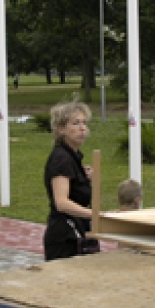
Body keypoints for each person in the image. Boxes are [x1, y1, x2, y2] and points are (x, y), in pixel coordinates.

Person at [42, 100, 98, 260]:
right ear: (61, 129)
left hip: (76, 232)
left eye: (84, 123)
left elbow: (74, 191)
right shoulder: (61, 159)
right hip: (65, 237)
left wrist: (83, 177)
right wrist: (95, 215)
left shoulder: (72, 157)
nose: (82, 128)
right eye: (75, 123)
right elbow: (62, 202)